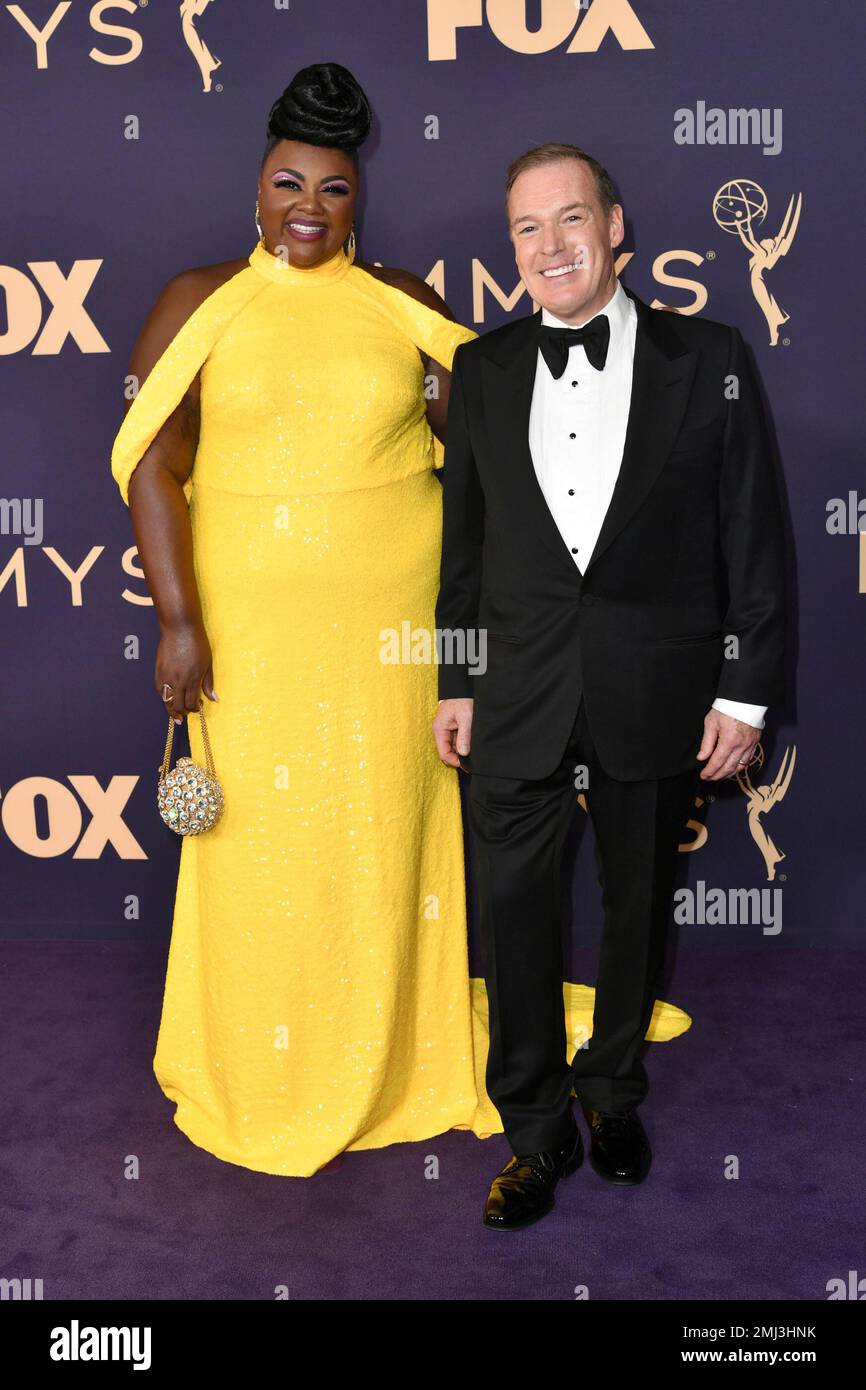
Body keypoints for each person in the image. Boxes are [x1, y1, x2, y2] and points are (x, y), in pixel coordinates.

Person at [109, 62, 500, 1176]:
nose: (308, 210)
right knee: (267, 846)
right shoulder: (200, 299)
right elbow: (151, 457)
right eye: (289, 184)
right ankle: (261, 1062)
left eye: (333, 191)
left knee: (381, 828)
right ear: (257, 188)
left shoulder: (402, 299)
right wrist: (179, 621)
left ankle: (395, 1056)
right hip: (253, 633)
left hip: (390, 631)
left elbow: (476, 434)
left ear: (357, 197)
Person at [433, 143, 786, 1230]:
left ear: (616, 226)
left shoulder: (711, 356)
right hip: (518, 693)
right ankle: (533, 1131)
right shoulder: (483, 370)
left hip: (654, 690)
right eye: (526, 230)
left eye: (569, 219)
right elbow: (464, 547)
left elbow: (753, 539)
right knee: (516, 918)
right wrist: (455, 676)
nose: (549, 246)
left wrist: (742, 693)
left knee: (637, 910)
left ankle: (613, 1090)